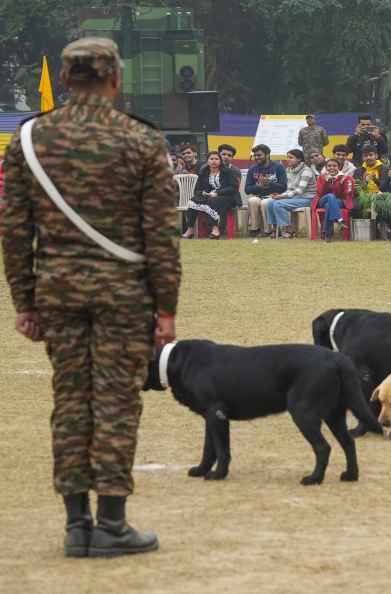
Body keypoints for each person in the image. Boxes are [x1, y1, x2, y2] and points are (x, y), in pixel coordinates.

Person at [1, 37, 180, 557]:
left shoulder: (30, 140)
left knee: (70, 402)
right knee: (117, 404)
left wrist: (25, 302)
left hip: (57, 293)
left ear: (64, 79)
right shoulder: (140, 141)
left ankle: (77, 523)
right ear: (115, 79)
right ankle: (113, 523)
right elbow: (161, 236)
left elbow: (15, 230)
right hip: (124, 296)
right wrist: (165, 307)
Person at [182, 151, 238, 239]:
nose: (214, 161)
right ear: (207, 161)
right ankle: (190, 229)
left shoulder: (228, 172)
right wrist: (203, 193)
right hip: (209, 196)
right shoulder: (203, 172)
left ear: (220, 161)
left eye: (216, 159)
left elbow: (233, 188)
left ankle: (215, 229)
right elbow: (197, 190)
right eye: (211, 159)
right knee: (193, 201)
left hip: (227, 197)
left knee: (214, 201)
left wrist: (217, 193)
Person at [266, 148, 317, 238]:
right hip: (296, 198)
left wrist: (282, 197)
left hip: (308, 198)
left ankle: (289, 230)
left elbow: (299, 190)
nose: (288, 159)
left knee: (278, 204)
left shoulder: (306, 171)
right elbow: (290, 188)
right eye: (287, 157)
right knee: (270, 203)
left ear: (299, 159)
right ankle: (276, 230)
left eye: (291, 157)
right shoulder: (289, 170)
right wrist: (280, 195)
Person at [245, 144, 287, 237]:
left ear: (267, 155)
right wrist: (259, 186)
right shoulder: (253, 168)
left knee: (265, 203)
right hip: (258, 196)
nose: (256, 157)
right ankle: (255, 229)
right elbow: (247, 190)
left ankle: (269, 230)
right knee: (252, 201)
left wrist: (269, 184)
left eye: (259, 155)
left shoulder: (278, 167)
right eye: (255, 155)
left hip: (274, 196)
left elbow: (284, 187)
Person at [315, 157, 357, 241]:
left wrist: (343, 183)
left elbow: (347, 195)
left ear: (339, 167)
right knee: (330, 196)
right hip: (323, 200)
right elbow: (320, 193)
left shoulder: (346, 178)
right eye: (329, 166)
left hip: (339, 201)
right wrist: (326, 182)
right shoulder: (321, 177)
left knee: (329, 205)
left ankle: (328, 234)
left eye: (334, 166)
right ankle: (340, 219)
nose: (332, 168)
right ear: (326, 167)